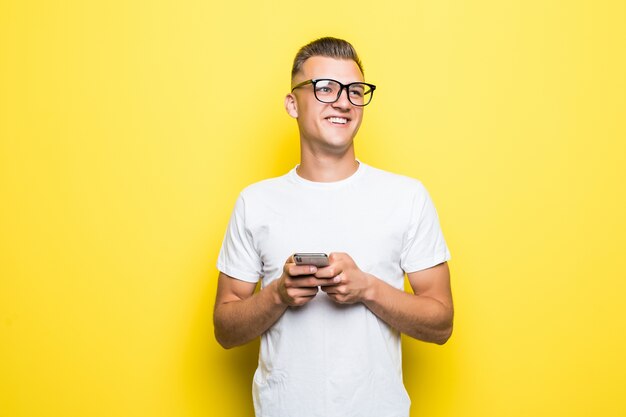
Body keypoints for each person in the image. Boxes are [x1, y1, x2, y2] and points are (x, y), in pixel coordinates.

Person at [214, 36, 453, 417]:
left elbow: (441, 323)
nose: (343, 101)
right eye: (325, 88)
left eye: (355, 91)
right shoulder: (254, 202)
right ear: (292, 103)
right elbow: (225, 330)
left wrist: (368, 288)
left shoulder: (407, 197)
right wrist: (278, 294)